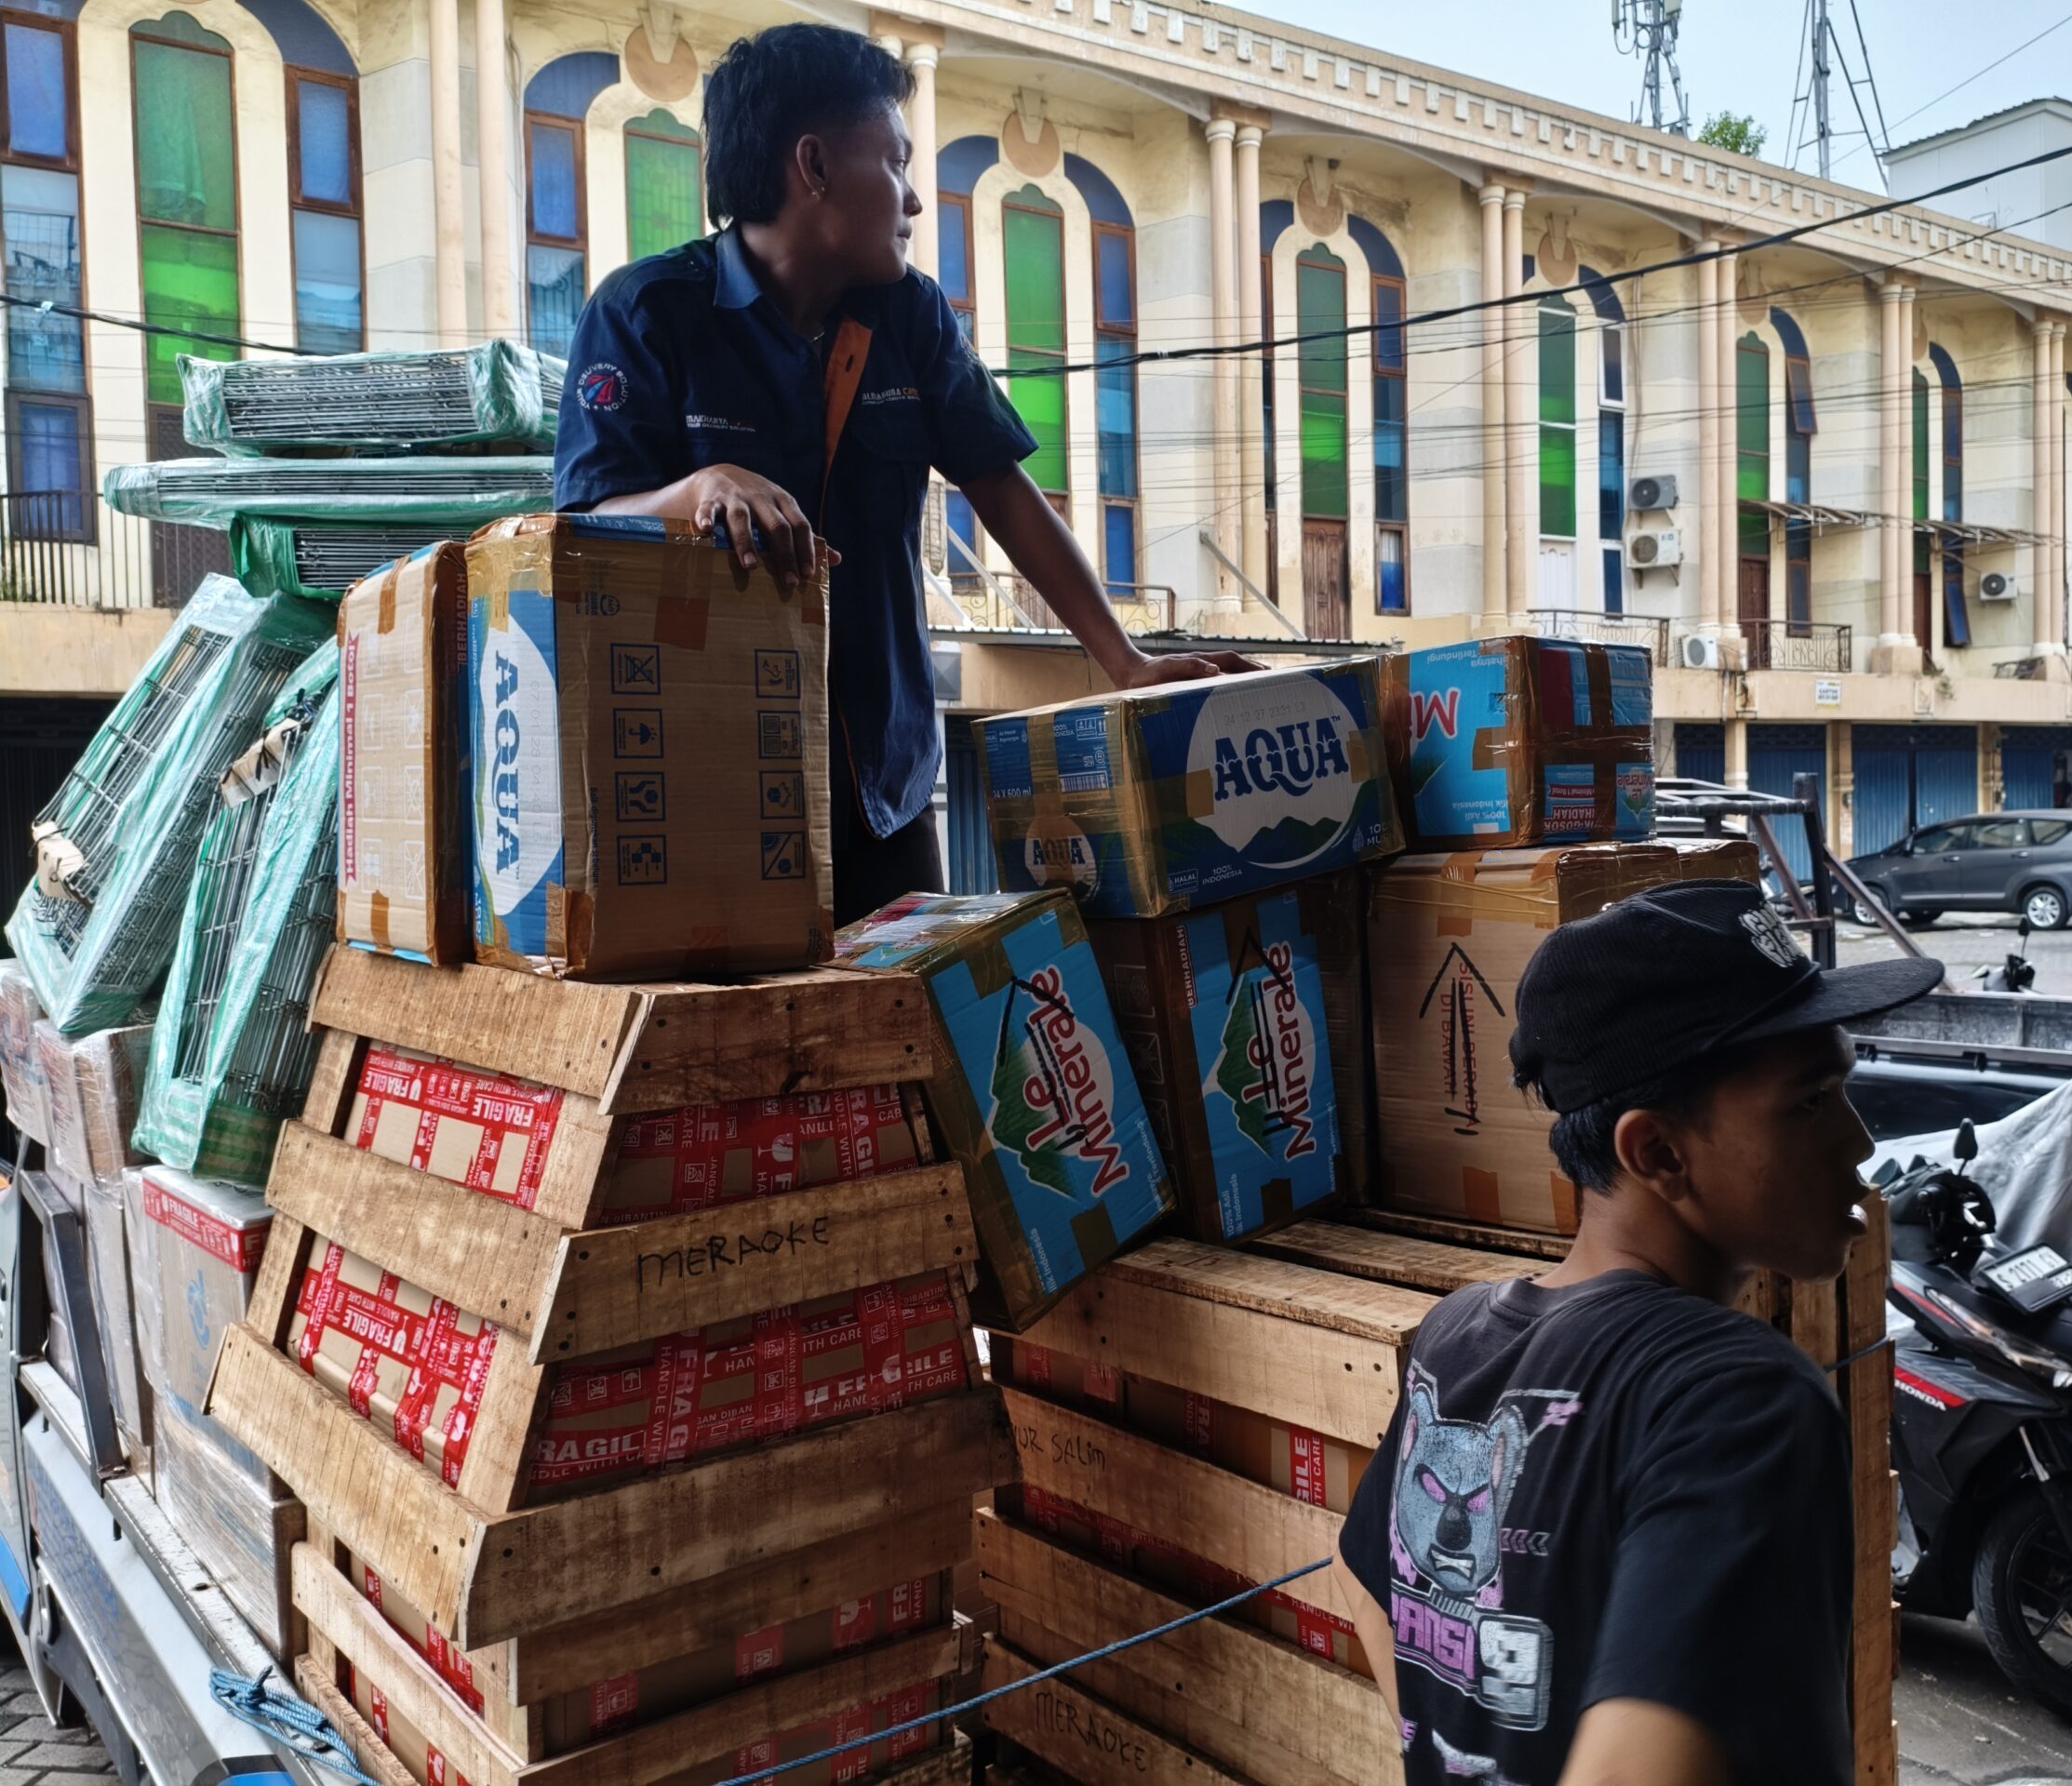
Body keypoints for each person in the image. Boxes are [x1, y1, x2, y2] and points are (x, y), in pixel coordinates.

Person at [551, 24, 1256, 924]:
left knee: (907, 1036)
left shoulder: (910, 315)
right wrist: (692, 492)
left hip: (883, 790)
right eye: (894, 162)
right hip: (709, 797)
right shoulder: (646, 313)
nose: (915, 201)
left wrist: (1122, 660)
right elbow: (576, 530)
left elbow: (999, 485)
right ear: (812, 166)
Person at [1334, 880, 1942, 1786]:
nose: (1857, 1142)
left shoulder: (1457, 1337)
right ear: (1656, 1152)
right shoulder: (1738, 1402)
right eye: (1811, 1103)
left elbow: (1358, 1581)